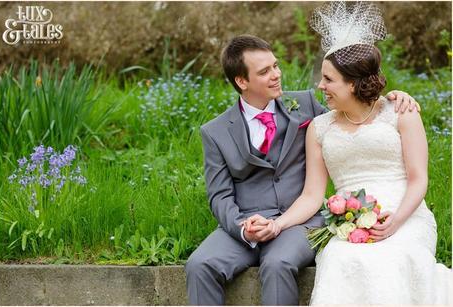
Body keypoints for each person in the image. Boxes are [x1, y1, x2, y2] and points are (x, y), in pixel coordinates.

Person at [185, 32, 418, 305]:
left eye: (275, 65)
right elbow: (219, 196)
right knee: (199, 265)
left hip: (299, 221)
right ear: (242, 81)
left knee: (278, 264)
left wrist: (390, 97)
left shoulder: (305, 105)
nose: (276, 74)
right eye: (264, 71)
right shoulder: (215, 132)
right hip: (246, 222)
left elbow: (353, 111)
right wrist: (243, 228)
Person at [244, 2, 452, 304]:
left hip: (406, 216)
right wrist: (278, 224)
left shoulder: (401, 112)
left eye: (329, 79)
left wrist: (394, 222)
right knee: (339, 259)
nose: (320, 85)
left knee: (395, 257)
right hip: (349, 223)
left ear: (353, 84)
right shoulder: (319, 127)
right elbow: (312, 196)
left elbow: (419, 179)